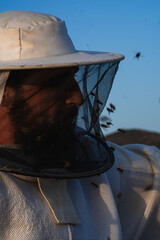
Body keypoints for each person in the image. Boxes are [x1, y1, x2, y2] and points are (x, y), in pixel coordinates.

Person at [0, 10, 159, 240]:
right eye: (55, 83)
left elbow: (150, 171)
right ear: (5, 92)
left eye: (73, 77)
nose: (77, 97)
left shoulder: (105, 172)